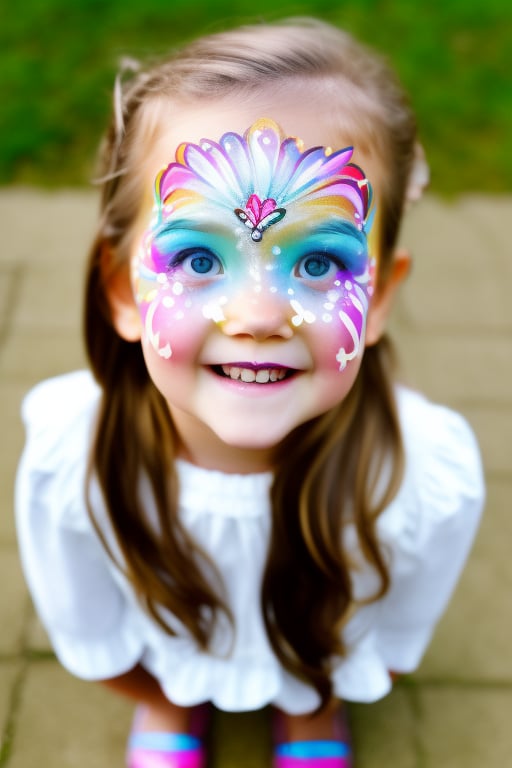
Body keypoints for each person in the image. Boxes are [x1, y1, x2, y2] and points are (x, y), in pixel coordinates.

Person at [15, 17, 484, 768]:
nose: (260, 316)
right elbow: (91, 636)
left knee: (321, 676)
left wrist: (327, 684)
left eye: (321, 265)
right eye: (199, 256)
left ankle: (310, 701)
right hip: (168, 659)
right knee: (165, 688)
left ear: (382, 299)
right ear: (122, 291)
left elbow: (393, 644)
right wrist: (154, 686)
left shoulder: (423, 475)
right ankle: (176, 698)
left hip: (321, 658)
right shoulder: (71, 462)